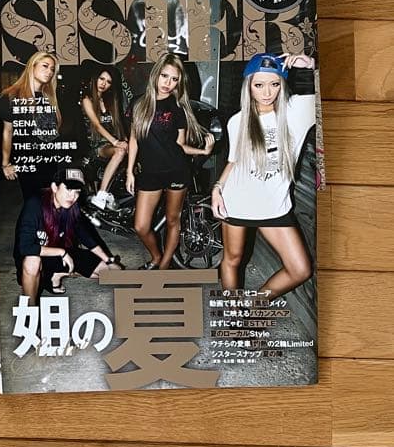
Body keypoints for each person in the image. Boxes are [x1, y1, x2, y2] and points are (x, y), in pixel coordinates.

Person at [212, 53, 316, 299]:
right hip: (237, 201)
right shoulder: (237, 121)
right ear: (248, 86)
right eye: (259, 85)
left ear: (282, 84)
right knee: (232, 260)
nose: (267, 92)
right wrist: (217, 188)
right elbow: (234, 161)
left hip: (274, 206)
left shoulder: (296, 110)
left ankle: (252, 308)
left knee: (300, 269)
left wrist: (312, 67)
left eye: (274, 84)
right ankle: (234, 315)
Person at [125, 53, 214, 270]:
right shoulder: (138, 103)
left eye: (174, 79)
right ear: (156, 75)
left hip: (176, 170)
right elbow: (134, 140)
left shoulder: (178, 107)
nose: (168, 83)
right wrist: (129, 171)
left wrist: (203, 151)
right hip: (150, 173)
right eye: (164, 76)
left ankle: (163, 266)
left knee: (173, 220)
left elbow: (180, 145)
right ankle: (156, 256)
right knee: (141, 226)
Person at [13, 167, 124, 299]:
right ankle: (30, 308)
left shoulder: (71, 209)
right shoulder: (35, 204)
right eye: (69, 189)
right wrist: (62, 252)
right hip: (35, 259)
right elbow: (25, 248)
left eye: (77, 192)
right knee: (33, 260)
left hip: (59, 257)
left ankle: (57, 274)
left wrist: (108, 260)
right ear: (54, 187)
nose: (72, 196)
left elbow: (87, 238)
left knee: (112, 273)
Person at [0, 51, 63, 199]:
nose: (49, 72)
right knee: (32, 201)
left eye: (52, 69)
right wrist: (5, 164)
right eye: (45, 66)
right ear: (32, 66)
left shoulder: (50, 97)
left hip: (49, 160)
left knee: (49, 203)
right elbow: (7, 132)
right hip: (26, 161)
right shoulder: (11, 96)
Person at [81, 65, 129, 211]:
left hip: (111, 143)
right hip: (98, 146)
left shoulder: (110, 101)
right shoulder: (87, 99)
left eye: (108, 82)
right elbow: (96, 125)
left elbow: (118, 124)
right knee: (119, 151)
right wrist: (116, 142)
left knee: (131, 148)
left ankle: (116, 192)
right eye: (101, 79)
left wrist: (126, 141)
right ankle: (101, 195)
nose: (104, 83)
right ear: (95, 79)